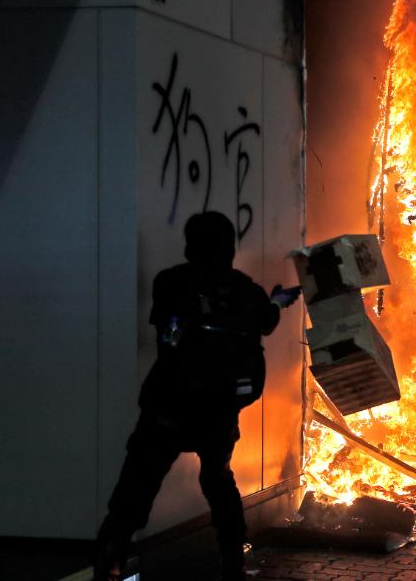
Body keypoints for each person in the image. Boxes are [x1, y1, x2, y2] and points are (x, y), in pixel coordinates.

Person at [93, 212, 301, 581]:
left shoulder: (171, 282)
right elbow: (266, 319)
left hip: (168, 407)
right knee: (218, 481)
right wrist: (279, 301)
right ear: (230, 248)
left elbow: (168, 339)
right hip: (218, 412)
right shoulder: (245, 290)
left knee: (138, 482)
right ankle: (233, 560)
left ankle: (111, 560)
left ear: (190, 245)